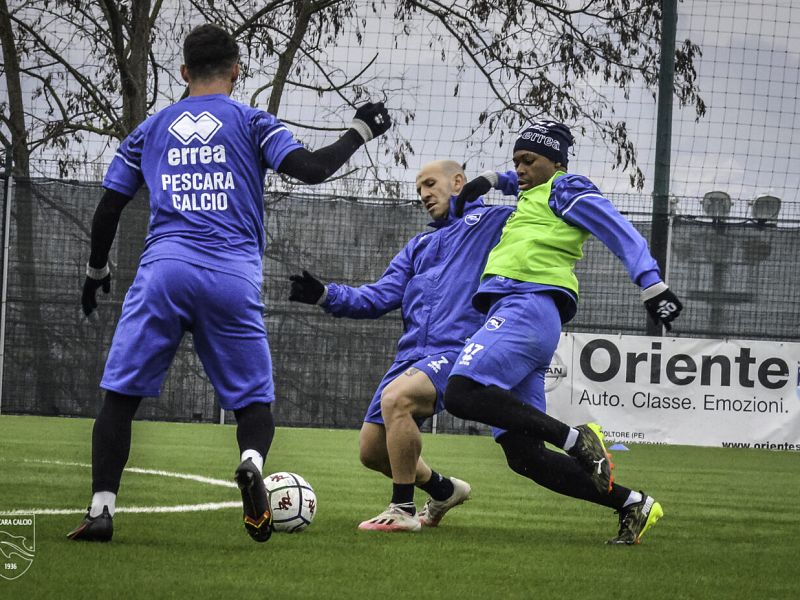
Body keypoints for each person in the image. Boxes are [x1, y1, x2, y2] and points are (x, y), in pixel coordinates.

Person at [67, 24, 391, 543]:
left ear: (184, 73)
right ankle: (249, 463)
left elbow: (109, 206)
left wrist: (96, 269)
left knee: (119, 398)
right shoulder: (252, 122)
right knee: (253, 403)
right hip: (231, 275)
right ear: (237, 70)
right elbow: (310, 169)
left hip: (164, 272)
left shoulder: (150, 129)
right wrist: (360, 130)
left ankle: (102, 509)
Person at [444, 120, 683, 545]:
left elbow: (615, 226)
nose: (520, 168)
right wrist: (490, 179)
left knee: (461, 392)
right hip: (520, 314)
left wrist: (651, 283)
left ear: (556, 162)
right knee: (526, 458)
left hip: (527, 307)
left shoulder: (566, 187)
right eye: (516, 160)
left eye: (528, 161)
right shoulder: (533, 194)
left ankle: (574, 437)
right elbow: (506, 190)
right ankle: (633, 504)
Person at [287, 160, 515, 532]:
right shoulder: (419, 245)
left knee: (398, 400)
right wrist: (326, 295)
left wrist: (495, 180)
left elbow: (544, 196)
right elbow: (378, 296)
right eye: (419, 189)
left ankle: (403, 509)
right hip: (410, 355)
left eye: (430, 184)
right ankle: (443, 489)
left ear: (458, 182)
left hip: (456, 349)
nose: (424, 194)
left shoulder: (490, 224)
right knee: (372, 451)